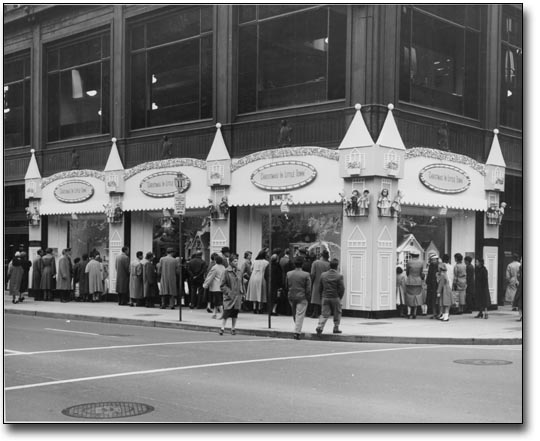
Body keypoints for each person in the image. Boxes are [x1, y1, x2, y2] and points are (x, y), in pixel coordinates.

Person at [315, 258, 345, 335]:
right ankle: (336, 327)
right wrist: (339, 297)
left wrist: (322, 295)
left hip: (325, 297)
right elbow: (342, 288)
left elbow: (320, 287)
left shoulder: (323, 275)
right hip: (335, 297)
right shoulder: (339, 276)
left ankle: (320, 326)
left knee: (324, 313)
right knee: (337, 313)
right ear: (337, 266)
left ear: (329, 266)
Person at [286, 256, 312, 340]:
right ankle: (297, 332)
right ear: (302, 264)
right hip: (302, 296)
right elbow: (308, 288)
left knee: (295, 314)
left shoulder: (289, 273)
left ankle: (297, 327)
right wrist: (308, 297)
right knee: (300, 314)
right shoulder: (306, 274)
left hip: (291, 295)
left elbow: (286, 285)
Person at [219, 253, 243, 335]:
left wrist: (242, 292)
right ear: (231, 262)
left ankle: (233, 328)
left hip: (237, 295)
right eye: (235, 261)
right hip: (229, 295)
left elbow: (241, 282)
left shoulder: (239, 271)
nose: (236, 263)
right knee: (226, 312)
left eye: (237, 261)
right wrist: (228, 292)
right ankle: (222, 328)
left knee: (235, 313)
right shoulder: (226, 271)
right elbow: (222, 285)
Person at [246, 248, 269, 314]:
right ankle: (260, 308)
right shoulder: (266, 262)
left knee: (254, 293)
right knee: (260, 293)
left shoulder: (254, 261)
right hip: (261, 277)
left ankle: (254, 307)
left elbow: (251, 269)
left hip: (253, 277)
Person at [203, 254, 226, 319]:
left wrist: (206, 284)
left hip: (215, 287)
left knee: (218, 302)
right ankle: (214, 314)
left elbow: (210, 277)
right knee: (217, 301)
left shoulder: (215, 268)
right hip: (221, 286)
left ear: (215, 261)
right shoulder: (223, 267)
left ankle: (222, 314)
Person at [309, 249, 330, 318]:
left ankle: (315, 313)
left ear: (321, 255)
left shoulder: (315, 263)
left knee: (315, 298)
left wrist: (311, 282)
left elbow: (312, 274)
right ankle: (323, 313)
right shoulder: (329, 264)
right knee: (323, 297)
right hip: (326, 283)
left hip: (316, 282)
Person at [405, 252, 424, 319]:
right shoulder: (421, 263)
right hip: (418, 281)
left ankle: (409, 312)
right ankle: (414, 313)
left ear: (412, 256)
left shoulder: (409, 262)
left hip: (410, 280)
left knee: (409, 296)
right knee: (416, 297)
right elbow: (421, 273)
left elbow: (407, 272)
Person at [268, 250, 283, 316]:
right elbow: (280, 276)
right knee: (276, 298)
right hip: (276, 285)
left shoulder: (268, 266)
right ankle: (274, 310)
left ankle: (270, 310)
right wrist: (281, 285)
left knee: (270, 297)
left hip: (270, 284)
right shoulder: (278, 266)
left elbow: (266, 275)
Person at [426, 254, 440, 319]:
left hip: (437, 285)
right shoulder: (431, 266)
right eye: (432, 260)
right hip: (432, 285)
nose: (433, 261)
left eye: (434, 260)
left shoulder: (439, 266)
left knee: (438, 300)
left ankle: (439, 313)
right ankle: (434, 313)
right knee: (433, 300)